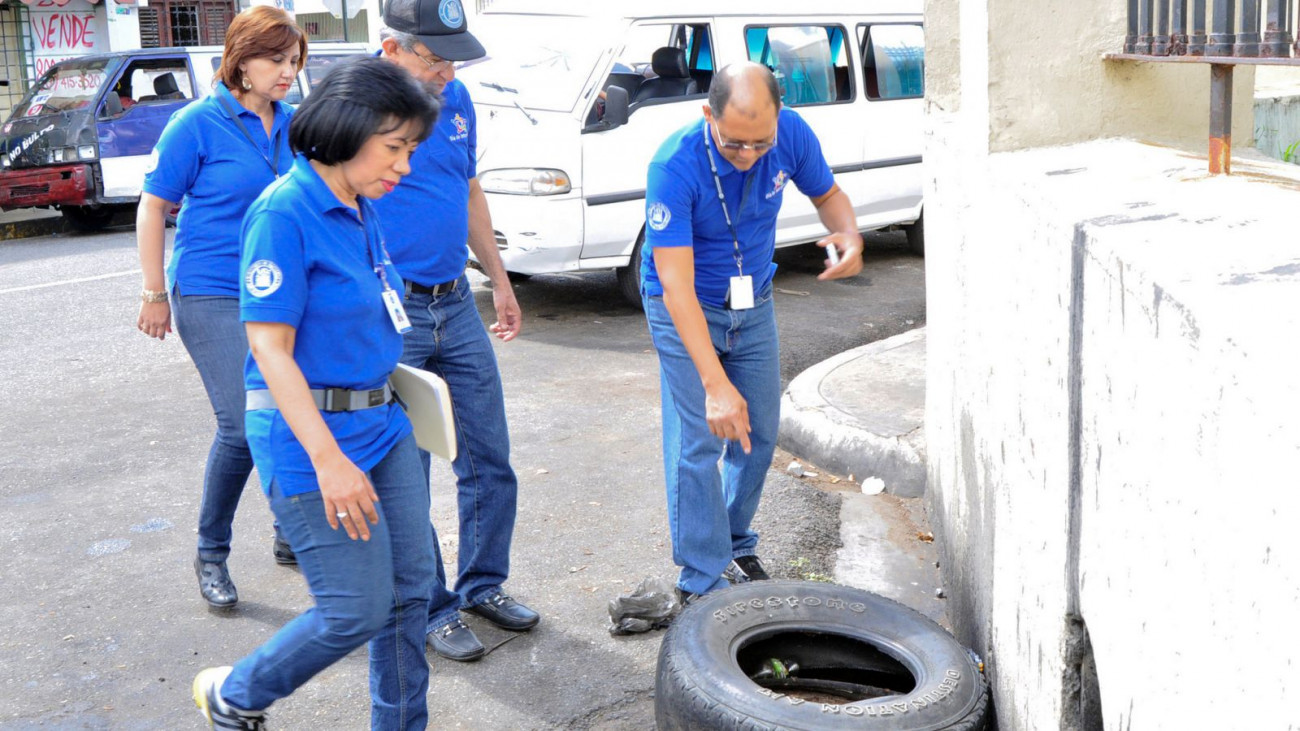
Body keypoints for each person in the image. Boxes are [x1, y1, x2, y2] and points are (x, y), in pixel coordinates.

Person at [191, 57, 441, 729]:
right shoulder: (283, 213)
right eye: (395, 148)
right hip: (311, 442)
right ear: (348, 127)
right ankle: (237, 693)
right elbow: (270, 350)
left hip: (383, 427)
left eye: (410, 150)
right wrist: (331, 461)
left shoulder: (361, 205)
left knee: (410, 590)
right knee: (353, 608)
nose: (405, 167)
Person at [640, 62, 864, 603]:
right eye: (734, 143)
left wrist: (849, 233)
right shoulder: (674, 164)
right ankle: (701, 576)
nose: (748, 155)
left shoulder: (790, 135)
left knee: (758, 433)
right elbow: (676, 288)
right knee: (698, 440)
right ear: (707, 115)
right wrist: (715, 385)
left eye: (760, 143)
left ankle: (734, 543)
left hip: (755, 303)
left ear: (779, 118)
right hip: (685, 307)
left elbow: (827, 195)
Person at [373, 0, 537, 663]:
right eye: (433, 59)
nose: (446, 72)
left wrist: (498, 277)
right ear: (392, 51)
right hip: (394, 315)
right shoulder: (355, 107)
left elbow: (468, 188)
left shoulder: (457, 97)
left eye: (451, 59)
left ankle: (482, 584)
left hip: (455, 303)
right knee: (406, 479)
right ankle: (429, 605)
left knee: (489, 456)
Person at [135, 6, 306, 609]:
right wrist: (154, 292)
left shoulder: (293, 124)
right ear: (241, 61)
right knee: (240, 424)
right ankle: (212, 552)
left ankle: (291, 531)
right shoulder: (196, 124)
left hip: (279, 290)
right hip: (209, 289)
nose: (287, 73)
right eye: (276, 60)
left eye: (293, 62)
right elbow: (153, 207)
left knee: (291, 410)